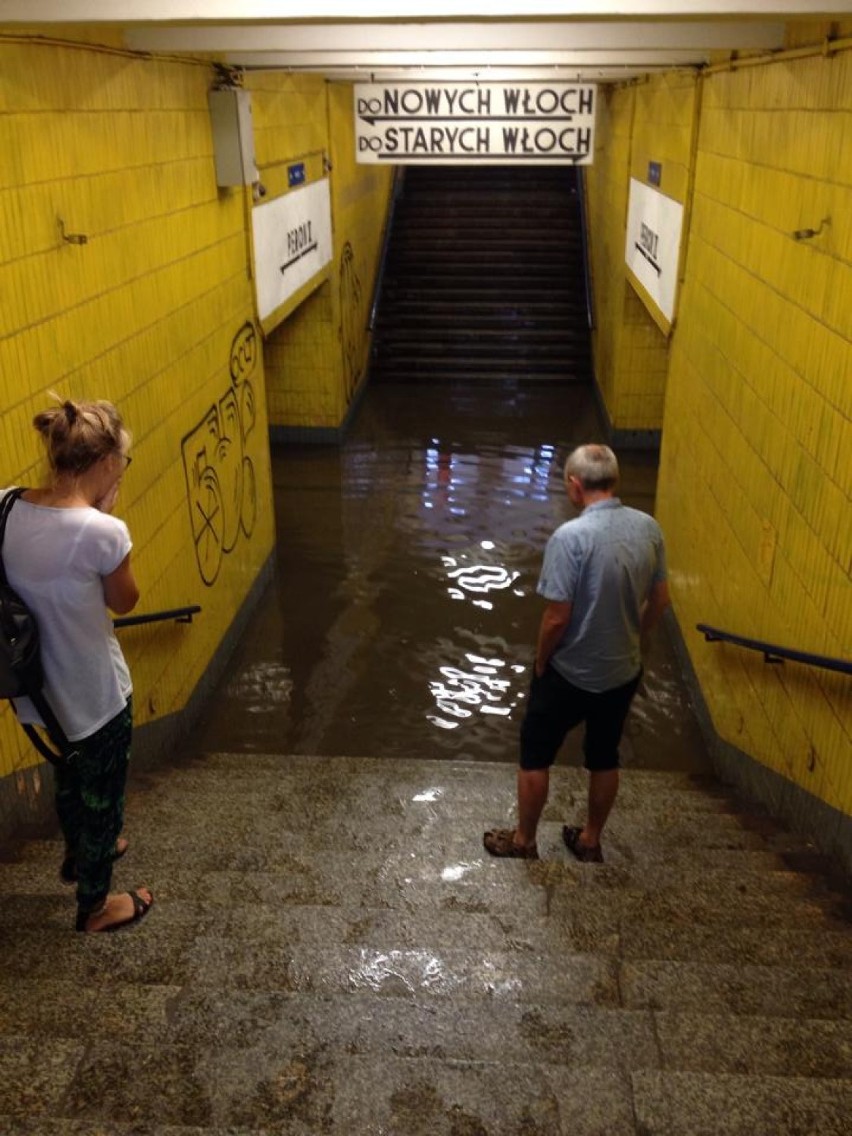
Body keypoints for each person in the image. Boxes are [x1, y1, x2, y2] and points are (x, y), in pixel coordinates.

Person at [1, 397, 153, 931]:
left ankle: (77, 854)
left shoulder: (3, 507)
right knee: (103, 794)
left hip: (37, 690)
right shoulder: (102, 533)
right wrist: (106, 515)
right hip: (94, 692)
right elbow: (125, 600)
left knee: (69, 774)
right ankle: (95, 904)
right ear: (107, 463)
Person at [484, 443, 669, 863]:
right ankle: (589, 840)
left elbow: (556, 617)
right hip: (622, 671)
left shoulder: (570, 538)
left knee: (535, 754)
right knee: (604, 756)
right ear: (615, 481)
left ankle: (524, 841)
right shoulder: (649, 528)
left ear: (574, 485)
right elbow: (660, 600)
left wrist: (541, 660)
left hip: (569, 671)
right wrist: (633, 637)